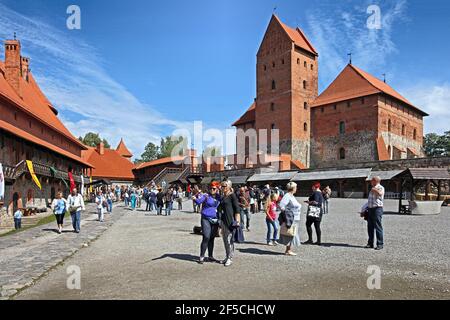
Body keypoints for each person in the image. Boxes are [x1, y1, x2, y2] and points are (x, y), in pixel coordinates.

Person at [193, 182, 221, 264]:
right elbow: (199, 202)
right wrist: (195, 198)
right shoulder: (206, 195)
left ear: (217, 189)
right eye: (211, 188)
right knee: (206, 236)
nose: (212, 190)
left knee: (212, 237)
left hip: (215, 219)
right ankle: (201, 256)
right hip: (205, 218)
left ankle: (210, 256)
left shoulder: (219, 197)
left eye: (214, 188)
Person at [218, 180, 241, 267]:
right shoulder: (223, 196)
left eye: (224, 186)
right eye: (222, 186)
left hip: (230, 221)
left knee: (229, 240)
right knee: (225, 241)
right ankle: (227, 256)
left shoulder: (232, 196)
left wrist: (237, 221)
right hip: (223, 221)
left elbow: (237, 209)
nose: (222, 187)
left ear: (229, 187)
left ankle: (230, 258)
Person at [278, 182, 302, 256]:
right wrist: (288, 213)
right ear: (293, 188)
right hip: (291, 218)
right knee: (289, 233)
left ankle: (288, 249)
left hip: (295, 218)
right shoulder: (287, 196)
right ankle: (288, 250)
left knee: (292, 233)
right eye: (296, 187)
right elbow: (281, 206)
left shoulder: (291, 196)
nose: (296, 189)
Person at [366, 176, 385, 250]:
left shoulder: (380, 187)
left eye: (372, 180)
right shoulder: (372, 188)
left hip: (377, 209)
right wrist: (364, 209)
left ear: (375, 181)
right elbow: (369, 200)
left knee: (378, 226)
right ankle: (370, 243)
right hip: (370, 209)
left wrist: (375, 190)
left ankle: (380, 244)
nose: (371, 182)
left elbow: (380, 194)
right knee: (370, 227)